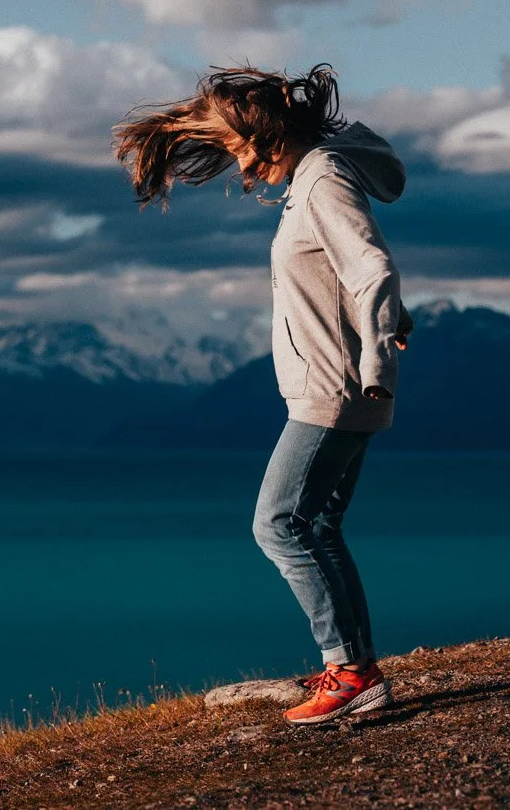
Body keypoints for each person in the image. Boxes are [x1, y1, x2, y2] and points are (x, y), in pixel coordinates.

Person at [112, 63, 412, 725]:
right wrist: (384, 325)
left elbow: (372, 266)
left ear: (274, 132)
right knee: (319, 526)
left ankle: (353, 673)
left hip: (335, 389)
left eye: (243, 147)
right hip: (341, 384)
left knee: (278, 524)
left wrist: (376, 354)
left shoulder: (322, 179)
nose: (241, 164)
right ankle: (351, 668)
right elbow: (353, 277)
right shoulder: (313, 178)